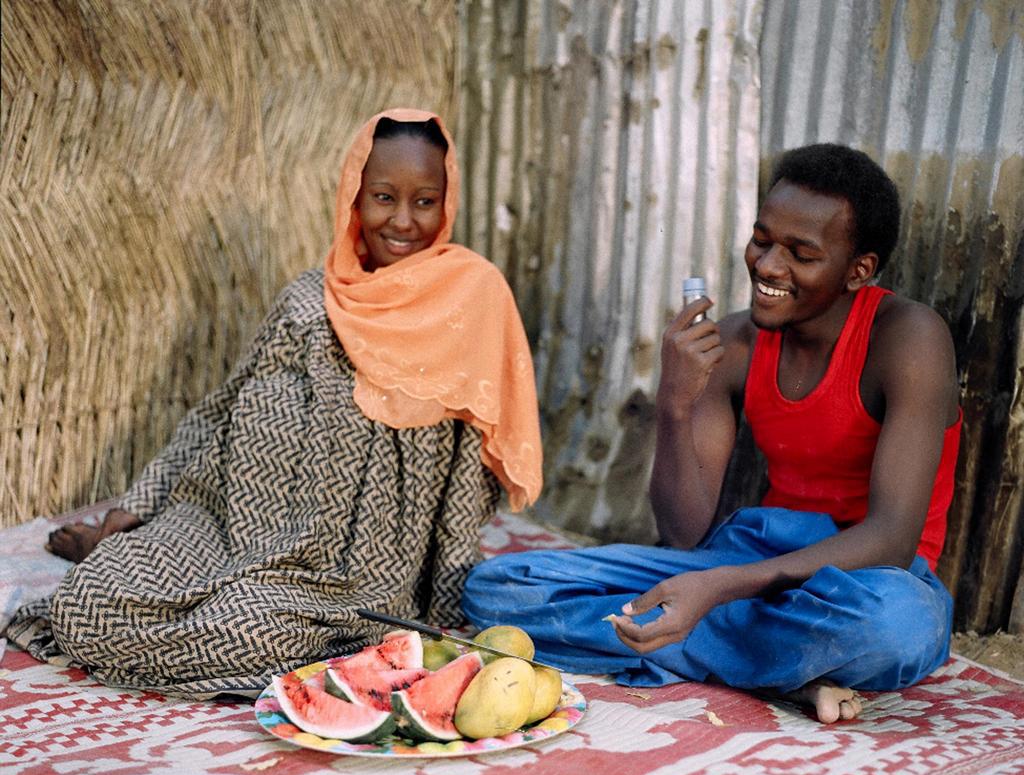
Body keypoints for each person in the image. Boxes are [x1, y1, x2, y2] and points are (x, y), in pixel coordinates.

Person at [6, 108, 543, 698]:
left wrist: (446, 594)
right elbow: (221, 410)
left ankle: (199, 611)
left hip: (346, 574)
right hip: (224, 522)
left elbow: (472, 458)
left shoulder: (472, 300)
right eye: (384, 197)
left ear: (448, 204)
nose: (403, 220)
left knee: (243, 627)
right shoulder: (307, 300)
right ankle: (122, 556)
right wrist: (136, 506)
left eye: (425, 200)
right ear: (353, 200)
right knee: (90, 603)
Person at [463, 143, 961, 724]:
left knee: (900, 630)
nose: (769, 266)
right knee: (500, 587)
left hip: (867, 580)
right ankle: (790, 673)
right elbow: (685, 532)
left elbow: (893, 539)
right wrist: (674, 402)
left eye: (801, 254)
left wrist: (719, 588)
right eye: (762, 239)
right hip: (751, 554)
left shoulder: (909, 338)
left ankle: (713, 649)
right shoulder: (736, 344)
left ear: (859, 269)